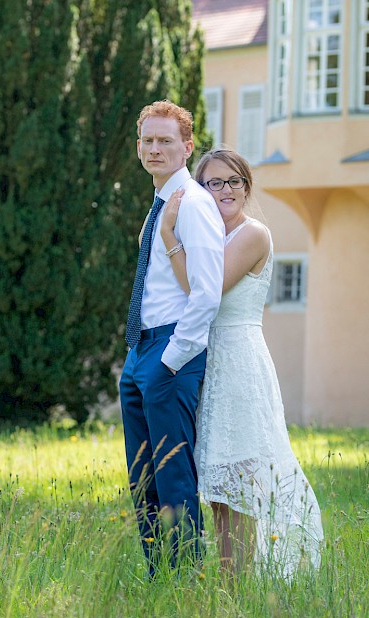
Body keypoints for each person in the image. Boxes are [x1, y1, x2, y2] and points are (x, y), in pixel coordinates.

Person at [159, 147, 324, 579]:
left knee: (238, 482)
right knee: (215, 483)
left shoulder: (253, 235)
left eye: (235, 181)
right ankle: (227, 582)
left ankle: (239, 585)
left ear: (246, 188)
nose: (226, 190)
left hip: (238, 362)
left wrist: (170, 239)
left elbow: (202, 293)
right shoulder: (209, 237)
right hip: (208, 363)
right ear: (201, 189)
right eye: (215, 183)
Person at [120, 101, 225, 577]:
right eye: (148, 140)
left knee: (173, 477)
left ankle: (185, 580)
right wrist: (138, 357)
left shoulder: (195, 204)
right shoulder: (159, 204)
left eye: (165, 140)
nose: (155, 148)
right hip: (140, 350)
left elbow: (206, 293)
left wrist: (170, 361)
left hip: (170, 354)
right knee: (143, 481)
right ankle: (157, 574)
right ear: (138, 146)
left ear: (187, 147)